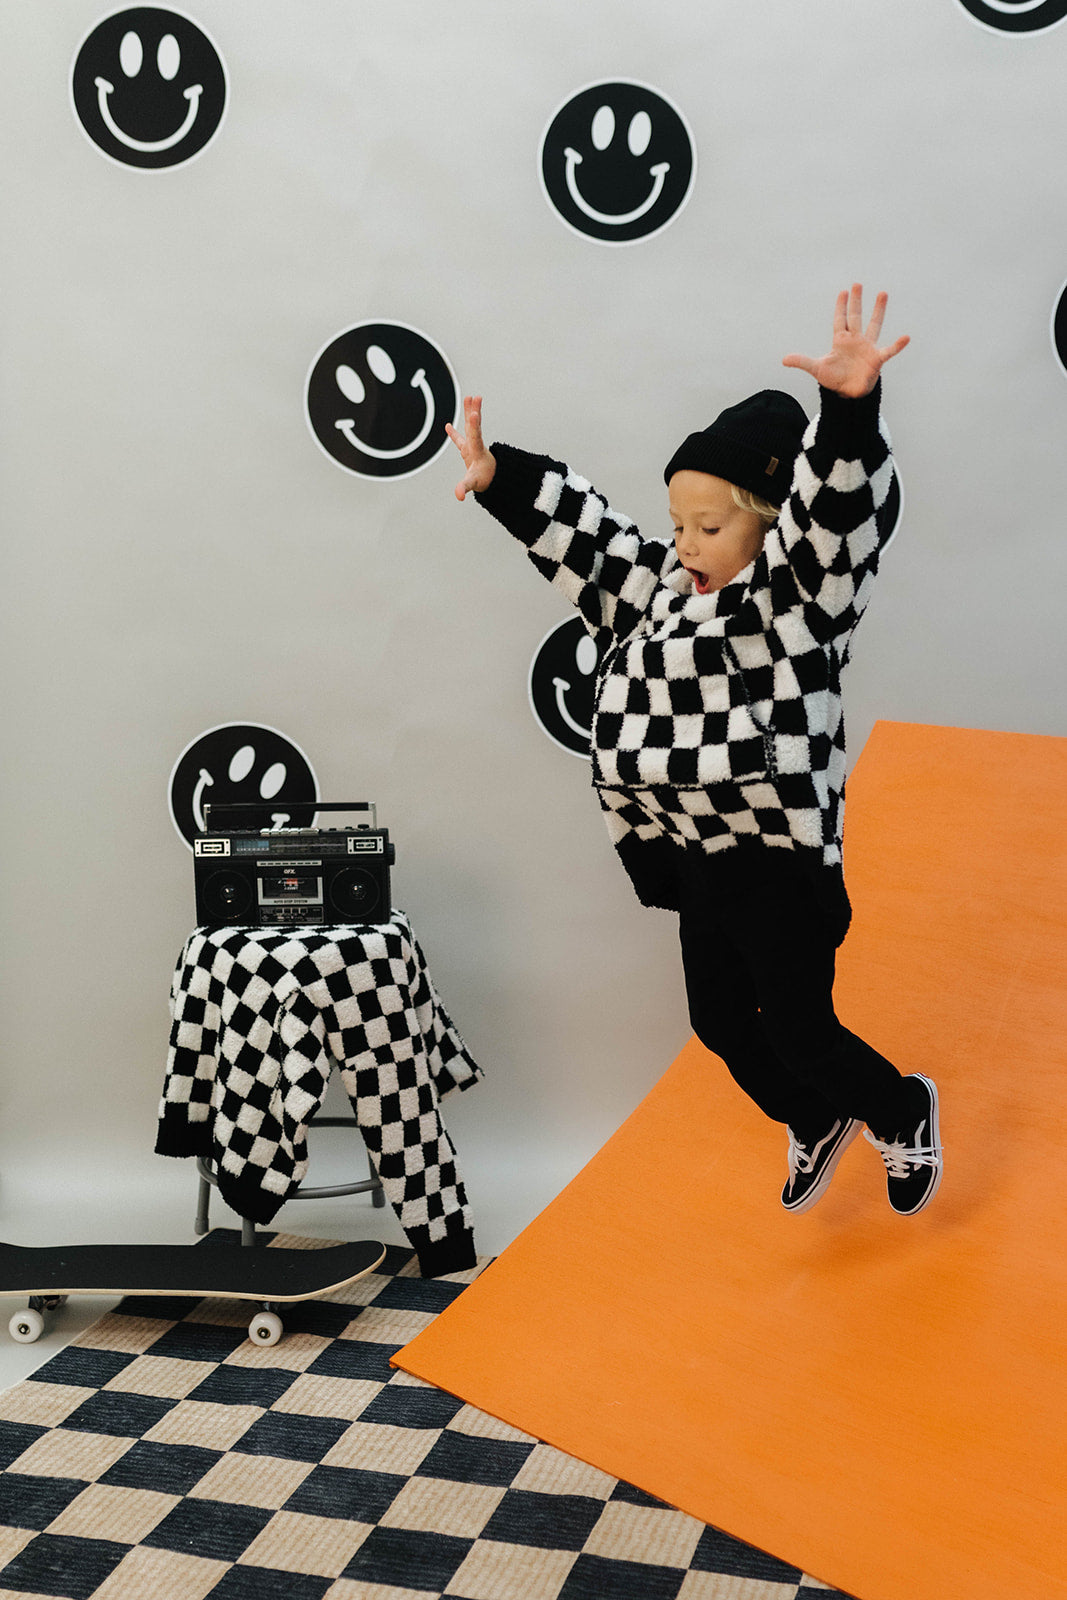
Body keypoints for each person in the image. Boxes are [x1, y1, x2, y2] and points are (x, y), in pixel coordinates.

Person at [446, 285, 942, 1217]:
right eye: (678, 525)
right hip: (698, 856)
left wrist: (847, 414)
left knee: (798, 1027)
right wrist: (500, 479)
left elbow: (836, 523)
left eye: (710, 529)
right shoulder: (658, 593)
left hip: (779, 860)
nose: (686, 546)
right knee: (716, 1023)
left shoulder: (796, 603)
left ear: (770, 520)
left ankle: (898, 1108)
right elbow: (589, 542)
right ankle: (813, 1118)